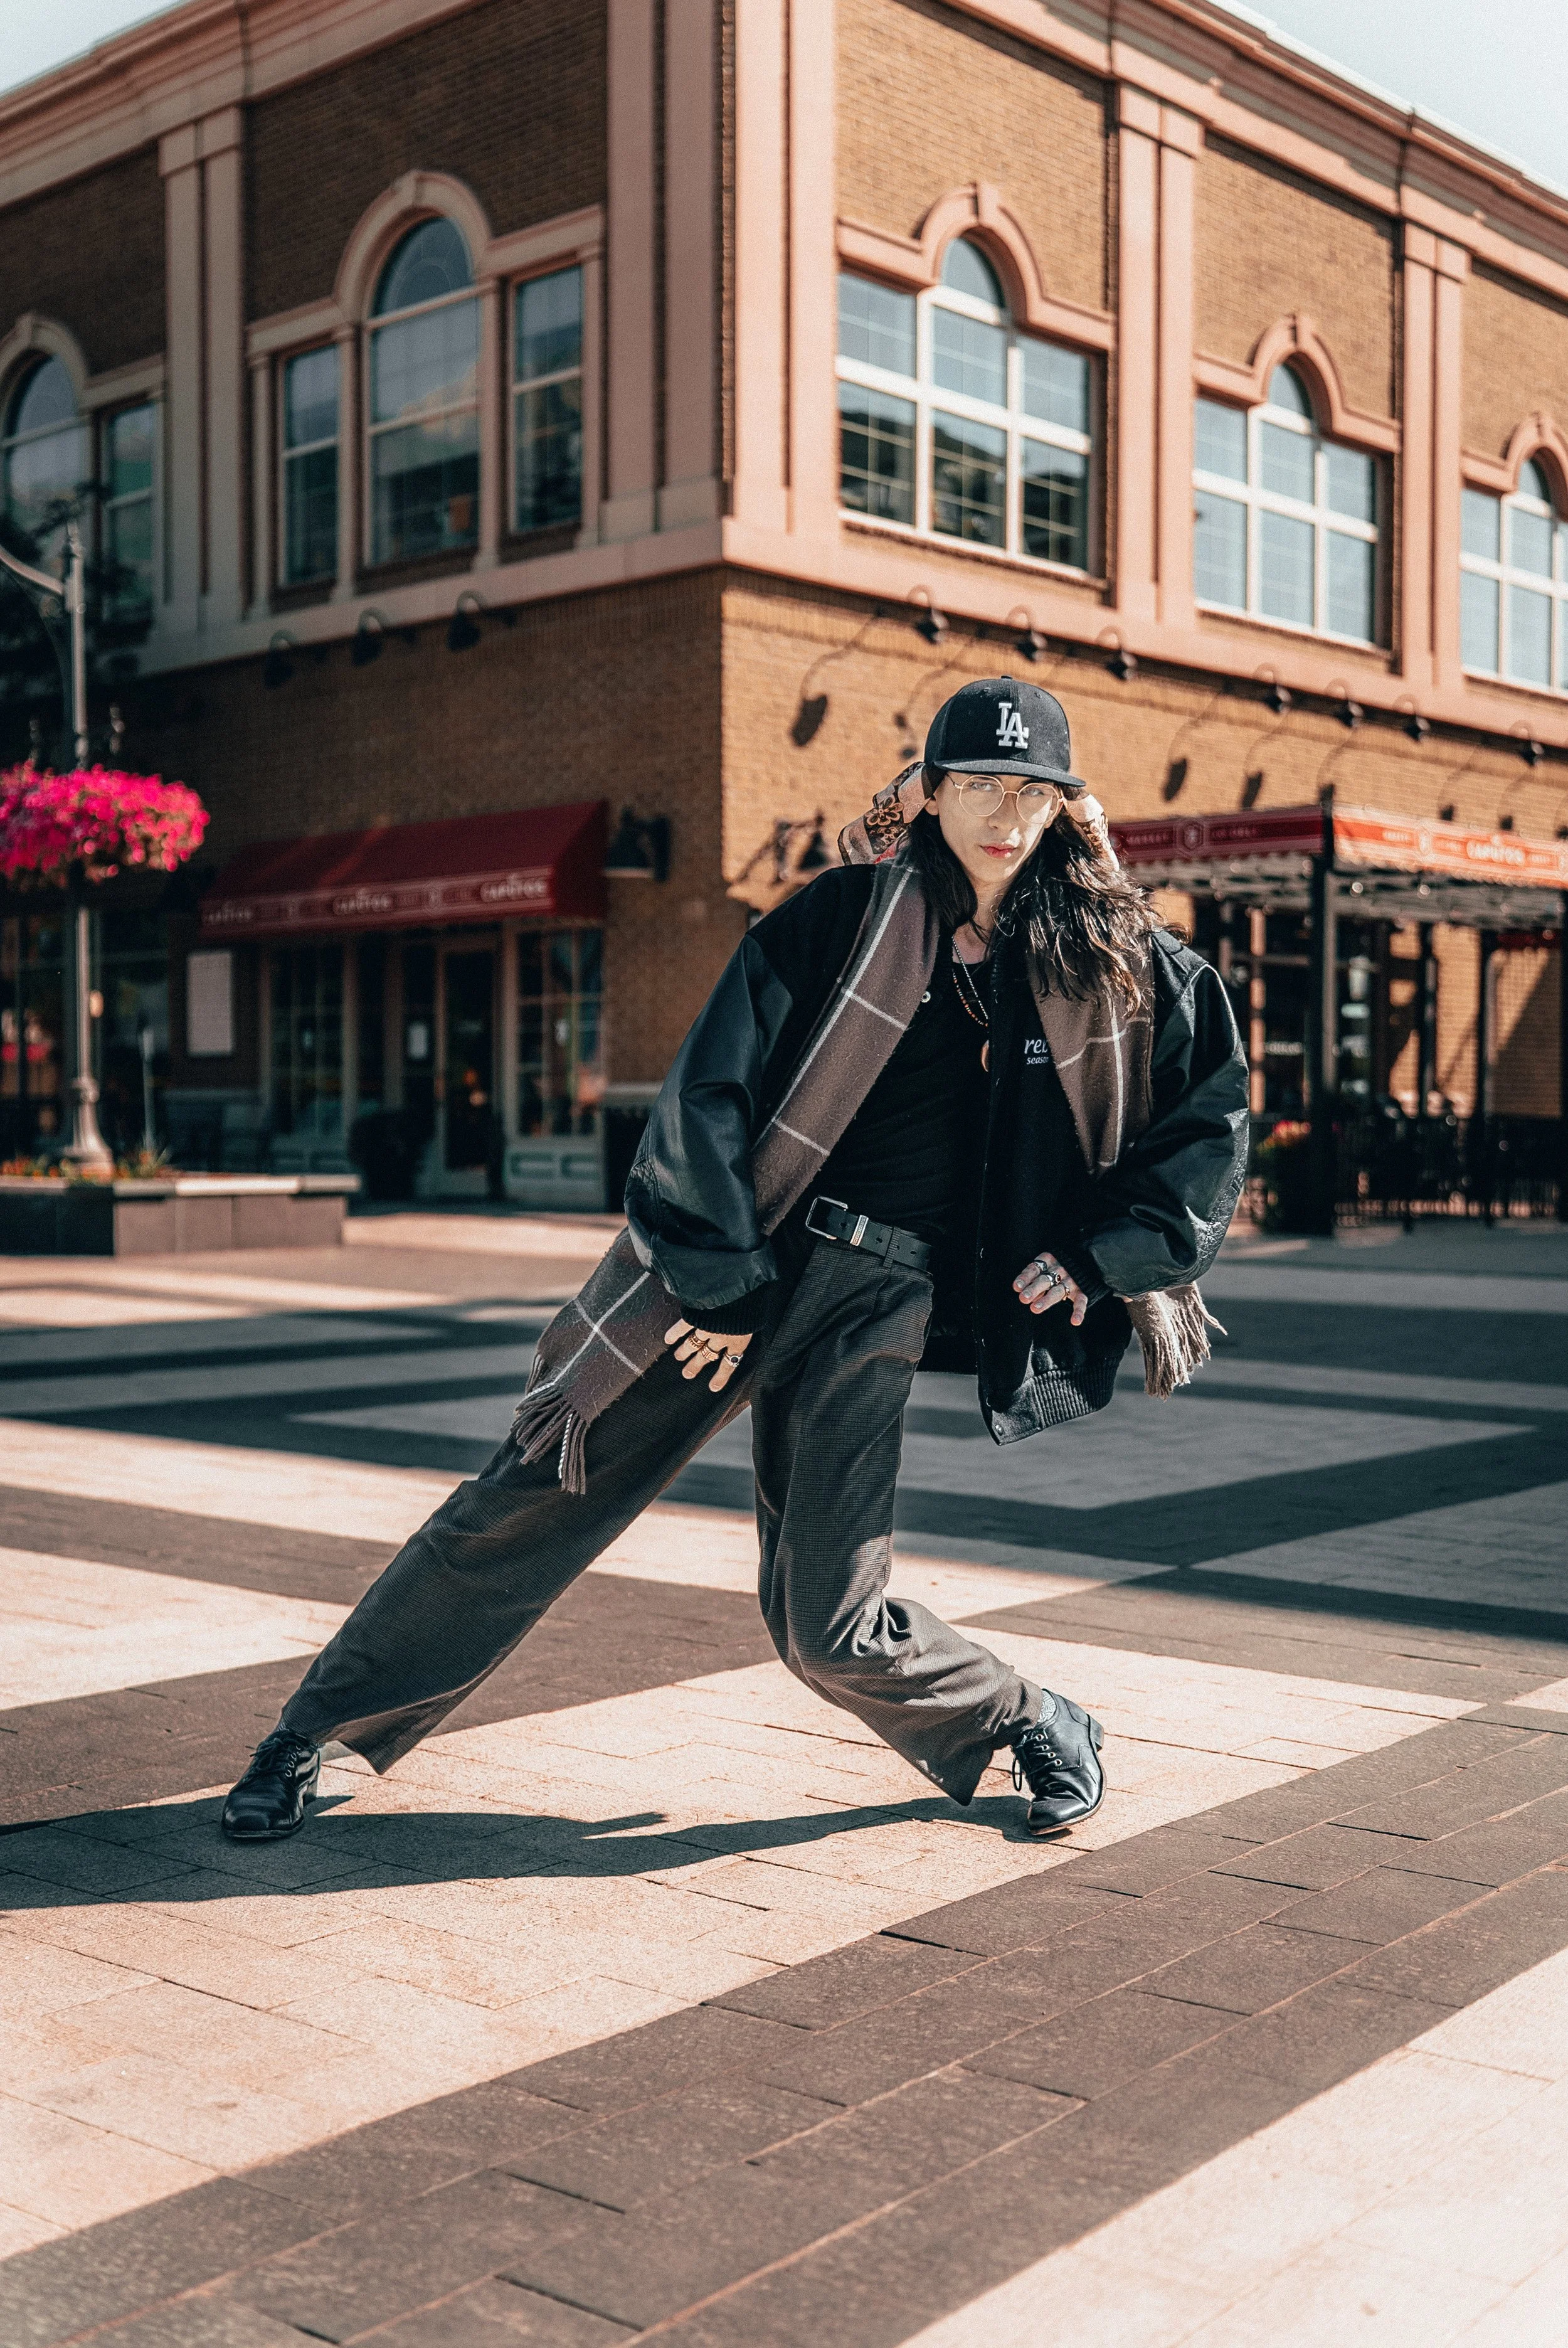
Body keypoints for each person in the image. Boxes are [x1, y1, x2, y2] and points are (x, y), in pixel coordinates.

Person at [222, 677, 1249, 1846]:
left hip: (882, 1301)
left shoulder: (1107, 960)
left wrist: (1106, 1255)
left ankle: (1029, 1716)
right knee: (530, 1498)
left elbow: (1209, 1112)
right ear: (931, 793)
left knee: (828, 1625)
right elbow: (705, 1091)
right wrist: (718, 1277)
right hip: (742, 1264)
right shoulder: (843, 917)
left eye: (1030, 791)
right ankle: (306, 1733)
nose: (1004, 815)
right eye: (978, 786)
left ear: (1064, 805)